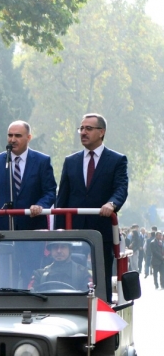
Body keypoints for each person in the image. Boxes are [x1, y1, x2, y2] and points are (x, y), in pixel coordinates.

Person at [55, 113, 129, 301]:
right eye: (81, 128)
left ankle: (103, 309)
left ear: (101, 132)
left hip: (101, 230)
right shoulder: (70, 161)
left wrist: (112, 204)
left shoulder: (117, 160)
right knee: (70, 278)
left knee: (101, 278)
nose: (83, 132)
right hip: (74, 231)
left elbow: (121, 188)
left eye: (88, 128)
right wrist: (57, 233)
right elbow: (62, 199)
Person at [0, 121, 56, 230]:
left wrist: (40, 205)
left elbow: (50, 192)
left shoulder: (42, 161)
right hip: (5, 227)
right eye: (10, 135)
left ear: (29, 137)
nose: (12, 140)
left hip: (33, 226)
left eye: (18, 136)